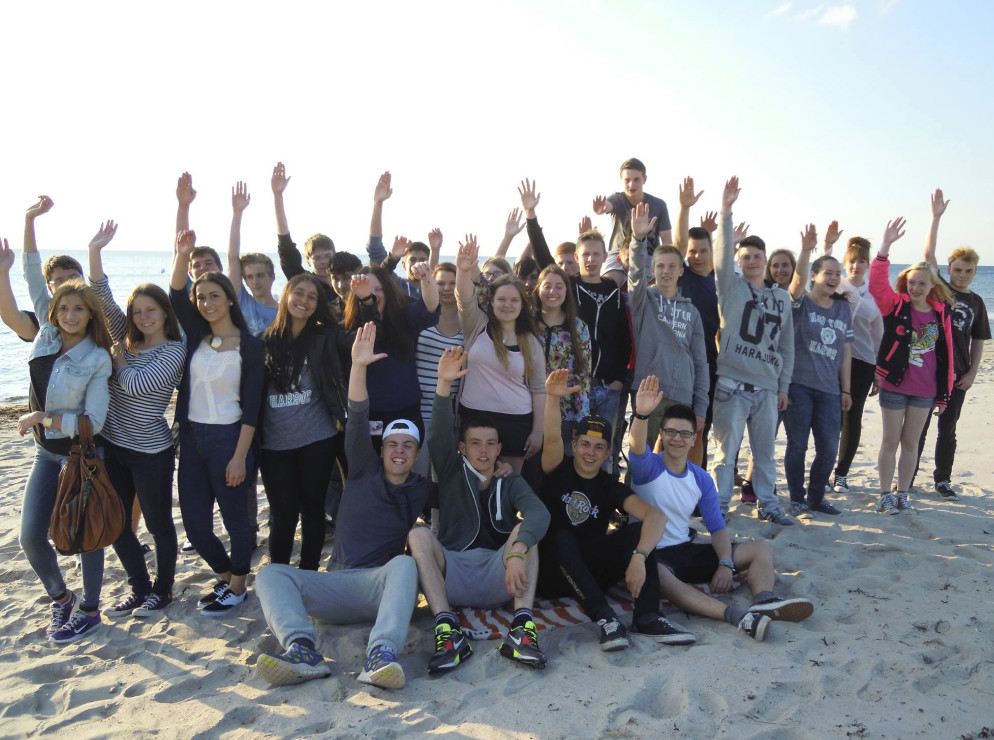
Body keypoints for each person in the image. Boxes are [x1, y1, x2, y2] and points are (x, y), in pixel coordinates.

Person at [254, 323, 433, 689]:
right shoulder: (363, 468)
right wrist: (359, 366)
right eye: (392, 444)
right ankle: (302, 649)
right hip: (335, 586)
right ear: (381, 450)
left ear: (416, 455)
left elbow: (463, 488)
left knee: (403, 563)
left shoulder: (421, 488)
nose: (398, 451)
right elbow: (357, 414)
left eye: (407, 446)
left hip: (378, 589)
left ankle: (381, 655)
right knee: (271, 574)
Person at [628, 378, 815, 642]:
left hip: (684, 549)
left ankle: (764, 599)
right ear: (661, 435)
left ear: (694, 439)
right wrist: (642, 413)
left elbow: (716, 528)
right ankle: (735, 615)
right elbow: (636, 444)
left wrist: (726, 564)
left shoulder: (700, 478)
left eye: (684, 434)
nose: (676, 439)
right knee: (658, 574)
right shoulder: (648, 468)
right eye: (670, 432)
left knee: (761, 550)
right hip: (653, 554)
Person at [408, 347, 551, 672]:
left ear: (500, 448)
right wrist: (444, 385)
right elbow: (439, 433)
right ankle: (447, 628)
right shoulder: (450, 469)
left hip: (499, 576)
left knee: (525, 532)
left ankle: (522, 631)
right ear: (462, 448)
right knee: (417, 535)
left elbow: (539, 513)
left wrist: (516, 552)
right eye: (475, 443)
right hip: (453, 573)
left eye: (490, 444)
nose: (483, 451)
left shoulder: (510, 481)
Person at [539, 370, 693, 650]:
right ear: (574, 444)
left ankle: (646, 617)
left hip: (592, 571)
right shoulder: (557, 469)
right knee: (561, 536)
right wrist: (551, 397)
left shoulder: (608, 485)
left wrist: (638, 557)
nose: (590, 452)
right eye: (585, 444)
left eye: (599, 447)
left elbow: (655, 517)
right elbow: (550, 439)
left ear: (608, 453)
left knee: (636, 532)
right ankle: (606, 619)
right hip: (553, 571)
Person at [86, 222, 186, 619]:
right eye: (137, 311)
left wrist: (118, 355)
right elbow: (101, 297)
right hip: (114, 446)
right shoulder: (124, 336)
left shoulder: (174, 350)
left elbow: (135, 385)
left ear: (165, 312)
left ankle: (162, 591)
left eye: (151, 310)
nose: (143, 317)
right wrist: (94, 251)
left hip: (151, 452)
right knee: (117, 526)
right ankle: (139, 588)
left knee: (159, 525)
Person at [170, 230, 264, 615]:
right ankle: (227, 575)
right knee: (194, 526)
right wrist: (181, 253)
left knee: (236, 521)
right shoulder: (196, 334)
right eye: (201, 297)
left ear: (229, 298)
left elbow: (254, 407)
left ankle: (239, 587)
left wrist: (240, 456)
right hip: (191, 439)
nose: (207, 303)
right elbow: (176, 295)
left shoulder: (251, 345)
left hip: (231, 439)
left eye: (214, 296)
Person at [16, 262, 112, 642]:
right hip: (44, 454)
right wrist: (29, 222)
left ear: (90, 314)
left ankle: (90, 609)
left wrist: (46, 417)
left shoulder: (97, 358)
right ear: (53, 313)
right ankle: (62, 597)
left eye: (79, 309)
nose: (70, 316)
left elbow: (96, 420)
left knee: (87, 535)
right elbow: (34, 284)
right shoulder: (44, 338)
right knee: (30, 537)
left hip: (80, 455)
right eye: (63, 309)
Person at [520, 179, 632, 465]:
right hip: (572, 387)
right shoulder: (568, 286)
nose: (591, 259)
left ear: (604, 255)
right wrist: (531, 217)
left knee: (604, 448)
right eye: (586, 255)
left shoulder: (613, 291)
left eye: (597, 254)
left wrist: (618, 377)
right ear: (577, 258)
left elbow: (622, 337)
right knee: (569, 448)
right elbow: (544, 257)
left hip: (608, 386)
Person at [710, 177, 795, 524]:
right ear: (739, 262)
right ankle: (718, 506)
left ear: (766, 259)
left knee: (765, 454)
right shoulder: (731, 287)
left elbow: (787, 345)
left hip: (767, 388)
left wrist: (783, 386)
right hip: (731, 384)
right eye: (745, 257)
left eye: (758, 256)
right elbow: (720, 255)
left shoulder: (782, 297)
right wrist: (726, 212)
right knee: (725, 454)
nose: (753, 261)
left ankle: (768, 504)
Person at [260, 274, 349, 570]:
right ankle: (280, 575)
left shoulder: (325, 338)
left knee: (313, 512)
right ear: (286, 295)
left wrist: (363, 300)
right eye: (299, 293)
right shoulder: (262, 341)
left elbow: (359, 337)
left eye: (312, 297)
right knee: (282, 515)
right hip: (274, 445)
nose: (304, 301)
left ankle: (308, 573)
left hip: (318, 440)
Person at [868, 217, 954, 514]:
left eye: (922, 283)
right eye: (912, 282)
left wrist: (945, 393)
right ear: (907, 282)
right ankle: (884, 493)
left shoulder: (940, 313)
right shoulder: (897, 305)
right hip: (894, 383)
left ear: (933, 286)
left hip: (925, 390)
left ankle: (903, 493)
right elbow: (876, 286)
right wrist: (885, 247)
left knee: (911, 443)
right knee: (890, 441)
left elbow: (947, 357)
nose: (916, 287)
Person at [914, 189, 990, 498]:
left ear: (975, 272)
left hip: (958, 377)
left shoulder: (977, 301)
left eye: (968, 271)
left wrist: (972, 373)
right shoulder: (940, 290)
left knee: (948, 430)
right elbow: (928, 255)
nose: (962, 275)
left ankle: (942, 480)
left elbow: (979, 340)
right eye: (957, 269)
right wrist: (935, 218)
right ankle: (907, 475)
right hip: (930, 371)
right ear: (948, 271)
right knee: (917, 428)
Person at [455, 235, 546, 473]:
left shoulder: (530, 340)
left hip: (516, 422)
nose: (507, 305)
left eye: (514, 300)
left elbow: (538, 388)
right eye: (501, 299)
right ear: (491, 302)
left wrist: (538, 431)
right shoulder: (477, 324)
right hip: (472, 417)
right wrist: (463, 270)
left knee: (507, 490)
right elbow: (464, 298)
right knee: (474, 483)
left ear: (521, 304)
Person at [783, 226, 853, 517]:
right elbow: (797, 282)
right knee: (797, 446)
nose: (834, 278)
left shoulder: (842, 308)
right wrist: (808, 250)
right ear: (815, 276)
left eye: (838, 274)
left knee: (828, 449)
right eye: (828, 273)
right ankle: (797, 498)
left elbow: (846, 351)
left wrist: (845, 388)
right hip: (798, 386)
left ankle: (816, 497)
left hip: (829, 390)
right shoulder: (800, 303)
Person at [629, 203, 709, 452]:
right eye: (660, 266)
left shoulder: (691, 311)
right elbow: (634, 275)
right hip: (648, 392)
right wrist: (638, 239)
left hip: (682, 395)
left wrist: (701, 407)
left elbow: (700, 362)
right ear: (653, 270)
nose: (666, 271)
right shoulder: (643, 301)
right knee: (642, 456)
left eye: (672, 266)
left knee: (674, 460)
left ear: (681, 271)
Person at [343, 262, 439, 448]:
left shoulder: (404, 317)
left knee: (406, 472)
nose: (373, 295)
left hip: (407, 413)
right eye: (366, 290)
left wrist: (427, 278)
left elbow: (430, 305)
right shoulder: (348, 329)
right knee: (371, 472)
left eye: (379, 289)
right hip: (368, 417)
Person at [828, 235, 884, 494]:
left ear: (868, 264)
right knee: (830, 419)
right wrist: (827, 245)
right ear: (844, 263)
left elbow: (878, 336)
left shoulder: (873, 294)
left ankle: (841, 474)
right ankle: (824, 469)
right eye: (852, 261)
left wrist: (878, 372)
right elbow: (820, 271)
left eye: (861, 261)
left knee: (853, 417)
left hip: (862, 362)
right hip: (831, 359)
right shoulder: (837, 285)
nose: (856, 266)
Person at [0, 196, 83, 342]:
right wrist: (29, 220)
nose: (67, 284)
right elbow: (32, 273)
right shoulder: (46, 318)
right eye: (59, 280)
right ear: (50, 289)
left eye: (73, 277)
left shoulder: (98, 315)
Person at [270, 162, 339, 313]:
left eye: (327, 256)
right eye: (317, 258)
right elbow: (286, 247)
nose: (323, 262)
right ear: (308, 261)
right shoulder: (304, 281)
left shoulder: (344, 281)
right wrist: (278, 196)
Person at [533, 264, 591, 443]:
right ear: (538, 289)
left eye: (559, 287)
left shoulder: (579, 327)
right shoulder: (526, 322)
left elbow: (583, 377)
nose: (553, 291)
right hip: (528, 410)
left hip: (565, 414)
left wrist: (581, 420)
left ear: (566, 291)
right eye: (547, 286)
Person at [415, 262, 463, 434]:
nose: (447, 288)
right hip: (417, 411)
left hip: (449, 413)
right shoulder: (421, 316)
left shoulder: (469, 320)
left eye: (453, 283)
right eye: (441, 283)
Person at [592, 157, 673, 254]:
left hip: (648, 256)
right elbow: (608, 205)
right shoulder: (617, 199)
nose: (631, 184)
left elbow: (667, 240)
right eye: (627, 180)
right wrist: (602, 208)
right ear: (621, 180)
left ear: (644, 179)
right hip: (618, 256)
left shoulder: (659, 205)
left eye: (636, 180)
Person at [228, 181, 278, 336]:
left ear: (272, 277)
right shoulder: (242, 300)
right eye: (249, 277)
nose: (255, 282)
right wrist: (237, 213)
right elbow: (232, 258)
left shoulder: (284, 311)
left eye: (260, 275)